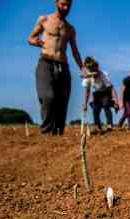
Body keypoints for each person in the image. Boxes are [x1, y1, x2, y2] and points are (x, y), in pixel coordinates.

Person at [28, 0, 84, 135]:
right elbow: (30, 37)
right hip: (45, 63)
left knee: (62, 101)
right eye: (63, 4)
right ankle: (46, 131)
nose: (65, 8)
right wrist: (34, 41)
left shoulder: (70, 29)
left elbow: (75, 51)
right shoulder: (44, 19)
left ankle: (58, 134)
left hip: (63, 66)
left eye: (68, 6)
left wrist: (82, 68)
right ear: (56, 2)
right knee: (48, 96)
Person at [82, 57, 119, 134]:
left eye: (93, 69)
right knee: (95, 109)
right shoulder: (88, 77)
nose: (92, 71)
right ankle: (97, 126)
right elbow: (87, 91)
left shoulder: (103, 74)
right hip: (97, 94)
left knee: (106, 105)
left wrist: (116, 101)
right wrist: (85, 104)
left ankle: (109, 125)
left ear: (96, 67)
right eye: (89, 69)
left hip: (106, 92)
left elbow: (111, 88)